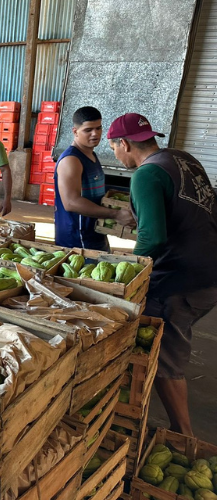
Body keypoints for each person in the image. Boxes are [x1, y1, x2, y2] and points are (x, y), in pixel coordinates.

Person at [108, 113, 217, 436]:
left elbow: (152, 237)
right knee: (167, 338)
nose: (115, 154)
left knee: (166, 350)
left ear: (123, 144)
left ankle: (182, 433)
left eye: (113, 147)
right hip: (209, 269)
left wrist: (129, 274)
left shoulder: (146, 175)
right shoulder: (182, 159)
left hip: (180, 278)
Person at [55, 107, 135, 250]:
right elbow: (71, 203)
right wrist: (115, 214)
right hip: (77, 239)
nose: (95, 134)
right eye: (88, 130)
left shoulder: (91, 155)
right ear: (75, 131)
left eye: (98, 128)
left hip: (95, 233)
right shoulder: (71, 160)